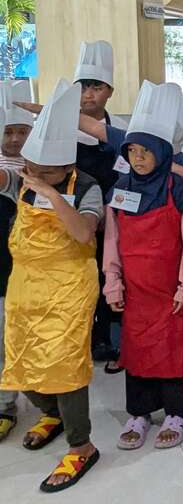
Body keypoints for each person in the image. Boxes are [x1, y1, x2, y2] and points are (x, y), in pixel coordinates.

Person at [0, 81, 103, 492]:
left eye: (45, 173)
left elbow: (82, 234)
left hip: (70, 285)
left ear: (65, 168)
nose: (35, 177)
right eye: (32, 169)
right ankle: (52, 414)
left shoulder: (87, 188)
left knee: (65, 365)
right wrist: (28, 179)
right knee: (20, 359)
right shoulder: (19, 178)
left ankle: (82, 445)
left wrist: (50, 193)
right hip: (25, 284)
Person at [102, 82, 183, 450]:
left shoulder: (177, 188)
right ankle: (139, 414)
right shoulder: (120, 189)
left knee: (173, 353)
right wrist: (113, 283)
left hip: (171, 289)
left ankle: (175, 412)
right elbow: (112, 241)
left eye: (145, 151)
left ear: (161, 151)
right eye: (132, 151)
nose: (138, 158)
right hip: (135, 291)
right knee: (138, 352)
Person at [72, 41, 128, 368]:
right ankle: (80, 341)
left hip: (113, 220)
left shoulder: (119, 130)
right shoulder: (59, 131)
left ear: (109, 91)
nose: (89, 94)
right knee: (80, 281)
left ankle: (109, 340)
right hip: (73, 221)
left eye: (97, 87)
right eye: (83, 87)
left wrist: (112, 210)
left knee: (111, 277)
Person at [0, 84, 32, 441]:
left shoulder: (28, 172)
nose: (13, 139)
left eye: (21, 131)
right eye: (8, 131)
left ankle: (8, 404)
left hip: (18, 269)